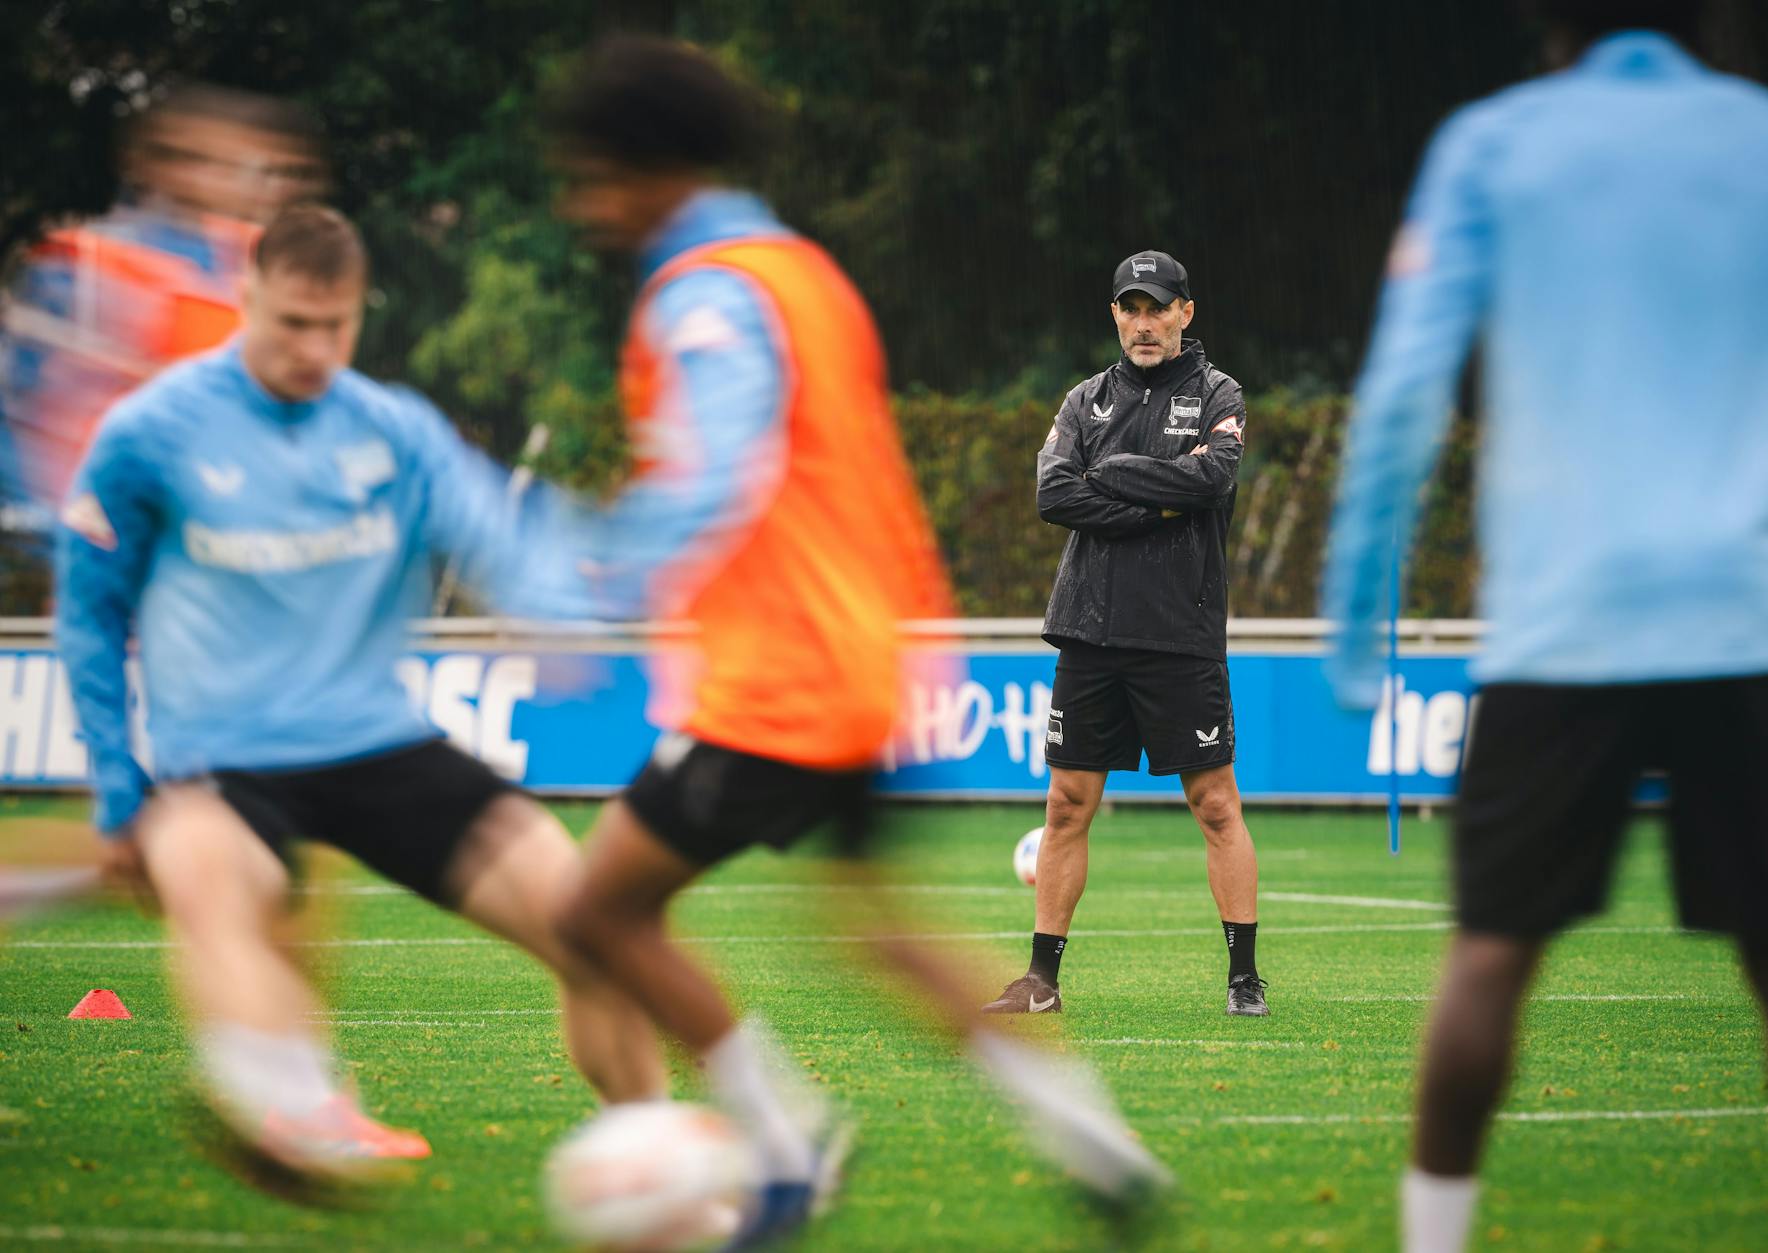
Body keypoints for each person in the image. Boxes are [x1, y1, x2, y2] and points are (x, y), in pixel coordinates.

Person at [544, 34, 1170, 1247]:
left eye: (591, 175)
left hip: (780, 677)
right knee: (872, 923)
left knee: (594, 914)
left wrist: (597, 571)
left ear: (651, 168)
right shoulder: (802, 272)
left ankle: (781, 1136)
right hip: (869, 658)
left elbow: (724, 463)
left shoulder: (707, 292)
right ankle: (1086, 1126)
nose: (582, 205)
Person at [1319, 2, 1768, 1250]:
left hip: (1562, 622)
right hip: (1750, 616)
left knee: (1486, 962)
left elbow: (1404, 393)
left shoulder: (1490, 144)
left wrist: (1356, 622)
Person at [56, 204, 664, 1180]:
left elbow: (494, 531)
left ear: (357, 314)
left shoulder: (392, 429)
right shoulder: (149, 434)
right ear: (247, 297)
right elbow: (88, 615)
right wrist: (119, 788)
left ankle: (653, 1151)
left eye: (333, 326)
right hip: (222, 757)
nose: (313, 348)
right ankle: (290, 1101)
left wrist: (554, 610)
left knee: (592, 924)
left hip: (377, 741)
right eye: (291, 323)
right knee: (206, 874)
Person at [980, 250, 1267, 1018]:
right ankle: (1041, 979)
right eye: (1130, 308)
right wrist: (1157, 496)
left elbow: (1214, 479)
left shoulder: (1218, 392)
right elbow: (1053, 492)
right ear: (1115, 314)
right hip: (1091, 630)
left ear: (1185, 312)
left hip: (1181, 633)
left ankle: (1244, 978)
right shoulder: (1085, 399)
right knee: (1067, 804)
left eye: (1158, 307)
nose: (1144, 323)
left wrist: (1110, 475)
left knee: (1214, 802)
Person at [2, 84, 325, 549]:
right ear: (155, 164)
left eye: (267, 169)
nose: (237, 182)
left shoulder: (264, 273)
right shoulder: (90, 267)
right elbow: (20, 421)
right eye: (205, 161)